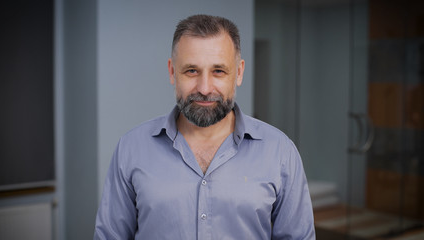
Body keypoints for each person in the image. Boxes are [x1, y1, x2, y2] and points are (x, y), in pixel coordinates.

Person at [94, 14, 315, 240]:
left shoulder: (280, 152)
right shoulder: (131, 149)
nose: (205, 87)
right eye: (192, 71)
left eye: (218, 71)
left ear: (238, 73)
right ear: (172, 72)